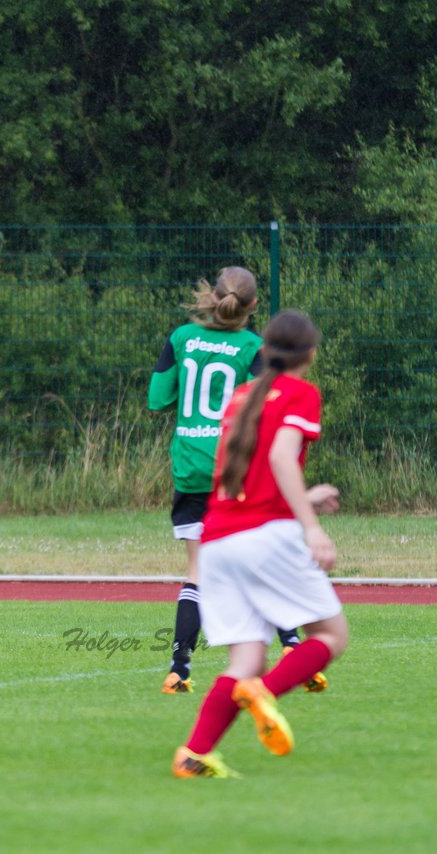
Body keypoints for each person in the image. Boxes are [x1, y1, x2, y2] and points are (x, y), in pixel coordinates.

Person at [172, 309, 347, 778]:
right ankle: (263, 691)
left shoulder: (241, 398)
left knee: (245, 659)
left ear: (265, 350)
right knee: (330, 635)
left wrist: (301, 500)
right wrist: (310, 525)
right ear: (310, 354)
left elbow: (243, 480)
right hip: (265, 539)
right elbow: (280, 455)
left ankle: (193, 755)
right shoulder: (301, 393)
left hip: (218, 540)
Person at [148, 267, 322, 694]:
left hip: (189, 467)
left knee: (197, 571)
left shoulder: (181, 338)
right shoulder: (252, 347)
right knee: (261, 557)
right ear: (253, 306)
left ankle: (179, 669)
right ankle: (293, 646)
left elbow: (157, 399)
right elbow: (260, 407)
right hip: (231, 468)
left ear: (213, 297)